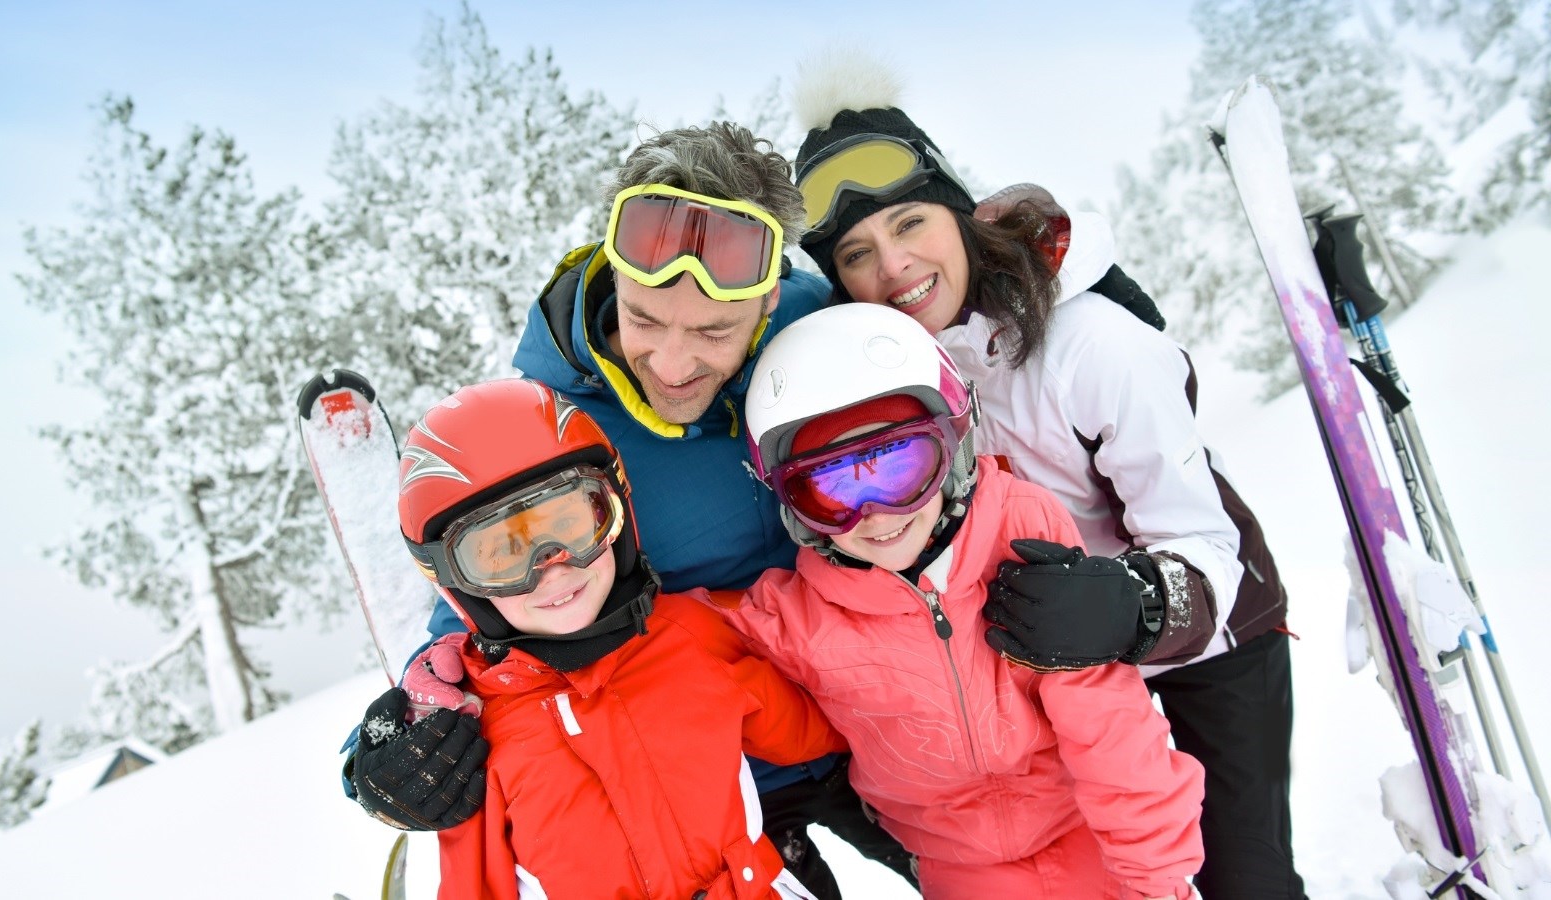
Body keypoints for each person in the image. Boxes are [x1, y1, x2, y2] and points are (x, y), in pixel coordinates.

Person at [343, 122, 919, 896]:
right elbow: (491, 603)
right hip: (716, 786)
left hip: (877, 731)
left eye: (715, 332)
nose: (675, 366)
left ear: (767, 301)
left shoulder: (816, 331)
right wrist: (390, 749)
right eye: (645, 320)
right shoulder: (557, 436)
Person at [786, 57, 1305, 900]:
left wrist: (1129, 602)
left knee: (1240, 877)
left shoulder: (1092, 347)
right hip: (1055, 665)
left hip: (1209, 640)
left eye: (912, 222)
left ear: (958, 214)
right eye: (857, 252)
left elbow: (1206, 541)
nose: (893, 267)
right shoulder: (894, 381)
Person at [712, 301, 1204, 899]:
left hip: (1091, 838)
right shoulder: (799, 617)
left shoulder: (1021, 539)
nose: (876, 515)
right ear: (793, 507)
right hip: (960, 869)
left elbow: (1112, 730)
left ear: (953, 449)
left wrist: (1152, 881)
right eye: (832, 486)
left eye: (899, 466)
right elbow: (682, 645)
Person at [377, 376, 846, 899]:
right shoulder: (473, 734)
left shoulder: (690, 636)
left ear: (615, 512)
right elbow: (471, 884)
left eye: (573, 524)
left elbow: (815, 725)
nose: (552, 568)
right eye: (502, 554)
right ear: (456, 581)